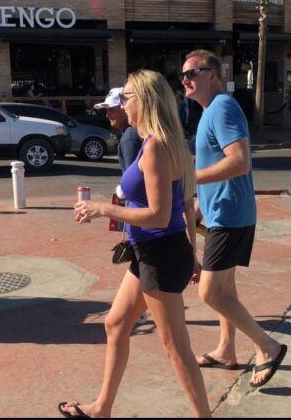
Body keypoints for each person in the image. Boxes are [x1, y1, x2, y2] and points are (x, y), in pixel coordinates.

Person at [61, 69, 210, 418]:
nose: (121, 103)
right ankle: (102, 408)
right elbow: (183, 205)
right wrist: (192, 252)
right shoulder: (157, 141)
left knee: (176, 348)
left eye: (126, 97)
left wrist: (103, 208)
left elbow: (159, 215)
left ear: (144, 100)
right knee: (115, 324)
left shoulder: (158, 146)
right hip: (152, 252)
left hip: (159, 253)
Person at [181, 49, 287, 388]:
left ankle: (267, 346)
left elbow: (239, 162)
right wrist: (198, 206)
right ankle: (227, 350)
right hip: (220, 214)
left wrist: (188, 179)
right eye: (182, 75)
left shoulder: (222, 107)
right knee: (225, 287)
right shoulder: (211, 111)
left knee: (210, 293)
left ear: (213, 74)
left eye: (193, 72)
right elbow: (216, 168)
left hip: (230, 216)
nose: (185, 79)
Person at [95, 87, 147, 325]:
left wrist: (115, 199)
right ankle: (140, 308)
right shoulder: (135, 135)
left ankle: (139, 310)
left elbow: (134, 180)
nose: (109, 114)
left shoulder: (130, 138)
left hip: (142, 219)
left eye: (114, 108)